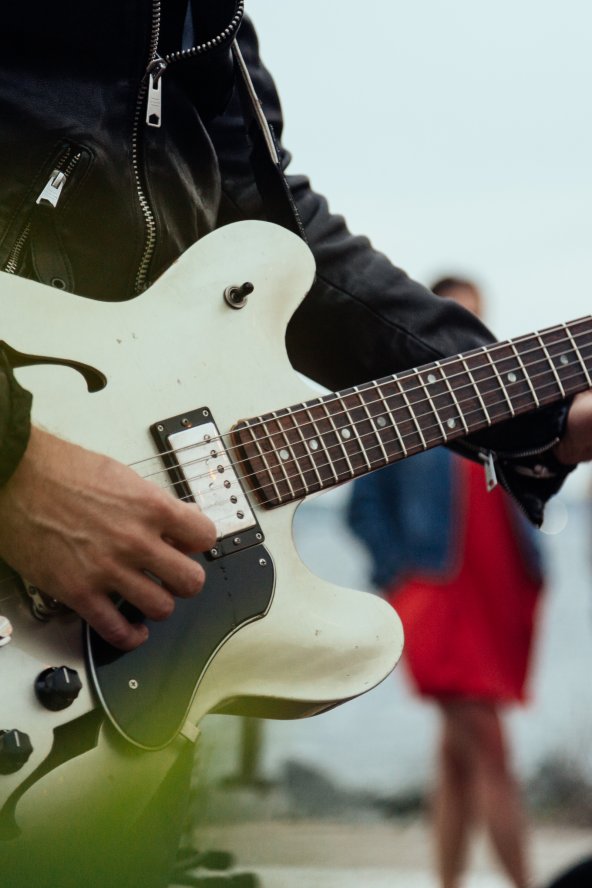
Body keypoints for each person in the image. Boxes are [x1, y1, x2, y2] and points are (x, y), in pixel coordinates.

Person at [0, 4, 591, 887]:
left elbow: (287, 246)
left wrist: (547, 413)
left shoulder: (207, 20)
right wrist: (20, 467)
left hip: (118, 657)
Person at [348, 277, 545, 888]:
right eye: (454, 317)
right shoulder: (399, 409)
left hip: (496, 593)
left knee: (459, 761)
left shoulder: (506, 406)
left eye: (478, 321)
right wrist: (399, 582)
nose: (467, 335)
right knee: (492, 753)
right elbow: (363, 507)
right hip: (435, 598)